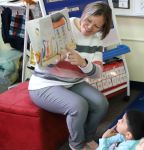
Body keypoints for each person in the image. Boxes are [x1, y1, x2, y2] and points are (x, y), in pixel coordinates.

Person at [28, 1, 112, 150]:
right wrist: (53, 58)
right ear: (84, 13)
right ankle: (76, 145)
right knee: (78, 106)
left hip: (72, 82)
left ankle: (87, 137)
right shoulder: (63, 26)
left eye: (96, 26)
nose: (89, 27)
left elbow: (97, 73)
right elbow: (39, 61)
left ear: (102, 28)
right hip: (44, 84)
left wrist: (83, 63)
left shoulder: (96, 41)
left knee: (101, 103)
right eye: (88, 20)